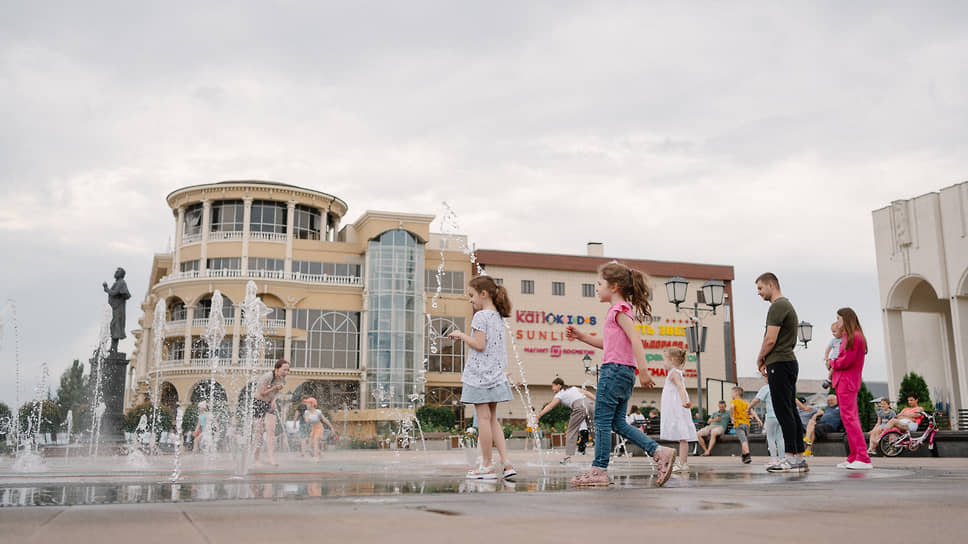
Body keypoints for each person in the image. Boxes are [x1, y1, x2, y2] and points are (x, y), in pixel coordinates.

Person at [564, 261, 676, 487]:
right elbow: (608, 343)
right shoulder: (620, 310)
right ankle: (659, 452)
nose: (596, 287)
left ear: (613, 286)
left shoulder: (619, 309)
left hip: (614, 371)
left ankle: (599, 471)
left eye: (599, 283)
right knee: (617, 423)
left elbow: (636, 339)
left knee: (602, 421)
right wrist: (582, 336)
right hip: (623, 372)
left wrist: (645, 371)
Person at [447, 275, 516, 480]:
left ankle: (486, 465)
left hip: (480, 375)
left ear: (483, 294)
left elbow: (479, 345)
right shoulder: (497, 316)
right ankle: (506, 464)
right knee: (493, 420)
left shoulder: (481, 316)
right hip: (495, 374)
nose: (470, 300)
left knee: (484, 420)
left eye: (472, 295)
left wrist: (460, 335)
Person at [755, 272, 808, 473]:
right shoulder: (785, 305)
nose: (759, 293)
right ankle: (798, 457)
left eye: (760, 288)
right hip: (786, 362)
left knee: (783, 410)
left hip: (780, 362)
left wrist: (760, 358)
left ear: (771, 284)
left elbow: (770, 339)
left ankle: (791, 457)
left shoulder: (778, 306)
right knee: (789, 409)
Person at [828, 307, 872, 469]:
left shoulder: (854, 337)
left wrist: (832, 363)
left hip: (847, 382)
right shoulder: (851, 336)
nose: (837, 322)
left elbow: (845, 361)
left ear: (846, 319)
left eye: (839, 318)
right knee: (848, 419)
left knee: (851, 419)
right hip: (844, 382)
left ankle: (863, 457)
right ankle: (854, 456)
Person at [534, 377, 595, 464]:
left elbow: (550, 406)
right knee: (594, 429)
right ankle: (603, 453)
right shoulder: (573, 388)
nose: (552, 389)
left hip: (579, 406)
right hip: (589, 404)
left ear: (559, 385)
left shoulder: (560, 394)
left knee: (571, 430)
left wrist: (539, 415)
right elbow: (588, 393)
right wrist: (598, 401)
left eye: (553, 386)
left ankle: (567, 457)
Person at [659, 347, 698, 472]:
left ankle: (683, 463)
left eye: (664, 360)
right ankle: (682, 462)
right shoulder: (673, 373)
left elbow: (681, 388)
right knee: (682, 435)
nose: (663, 363)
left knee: (683, 435)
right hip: (677, 407)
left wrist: (684, 402)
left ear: (671, 360)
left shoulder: (674, 373)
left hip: (678, 408)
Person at [251, 359, 290, 466]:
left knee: (271, 431)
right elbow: (262, 393)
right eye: (284, 370)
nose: (286, 372)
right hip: (258, 402)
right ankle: (256, 458)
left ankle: (270, 457)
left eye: (288, 370)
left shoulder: (283, 380)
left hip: (269, 404)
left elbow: (277, 392)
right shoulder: (268, 376)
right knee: (258, 432)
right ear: (277, 369)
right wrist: (274, 387)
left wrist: (273, 401)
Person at [749, 374, 785, 465]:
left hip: (771, 416)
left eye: (765, 377)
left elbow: (756, 400)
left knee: (771, 438)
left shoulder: (766, 388)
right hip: (781, 416)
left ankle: (773, 459)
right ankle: (782, 458)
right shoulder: (782, 387)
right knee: (780, 437)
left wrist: (748, 408)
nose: (764, 379)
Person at [729, 386, 752, 464]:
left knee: (743, 441)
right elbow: (751, 411)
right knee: (744, 440)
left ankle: (747, 455)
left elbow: (732, 407)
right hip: (747, 424)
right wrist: (757, 419)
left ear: (736, 393)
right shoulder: (745, 402)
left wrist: (732, 417)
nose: (731, 395)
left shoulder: (734, 401)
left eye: (732, 393)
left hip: (738, 424)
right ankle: (744, 456)